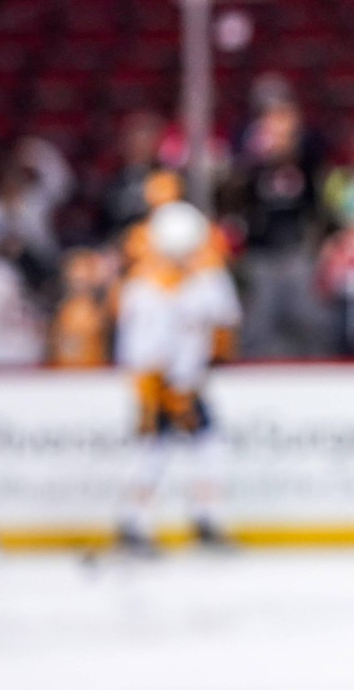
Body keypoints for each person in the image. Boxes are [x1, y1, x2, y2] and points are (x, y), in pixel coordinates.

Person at [114, 201, 241, 552]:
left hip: (188, 382)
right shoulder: (145, 288)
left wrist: (204, 366)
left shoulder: (208, 279)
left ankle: (204, 518)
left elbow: (223, 329)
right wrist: (159, 390)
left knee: (208, 447)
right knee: (152, 452)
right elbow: (140, 351)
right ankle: (134, 523)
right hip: (160, 386)